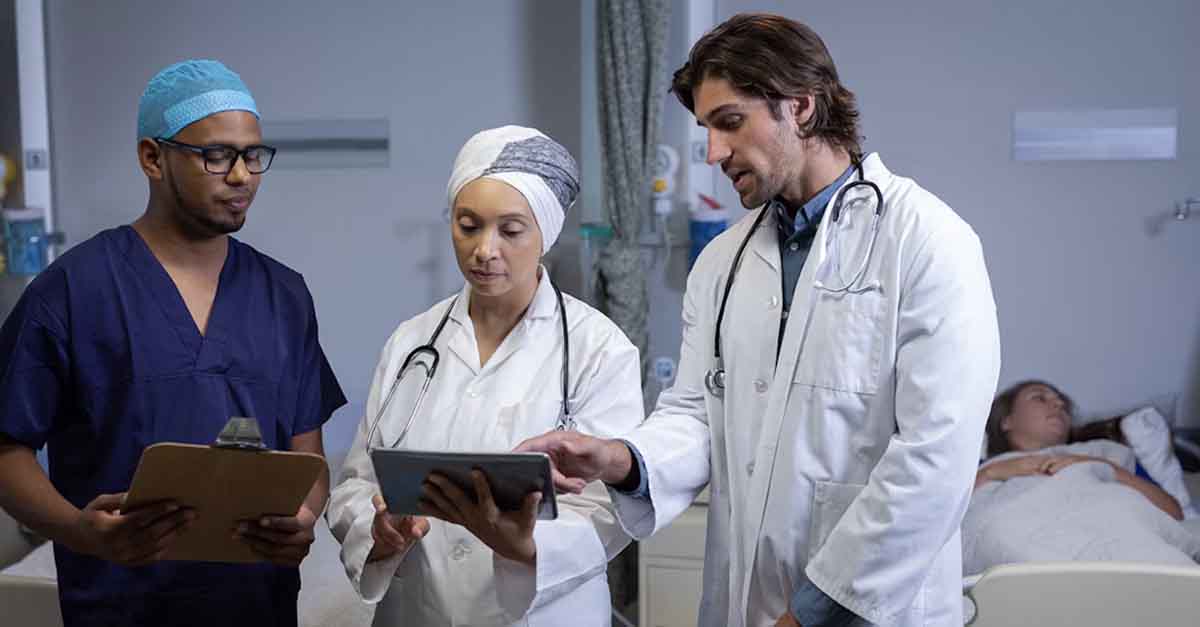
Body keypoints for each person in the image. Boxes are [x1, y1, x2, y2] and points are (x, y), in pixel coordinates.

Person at [517, 14, 1001, 627]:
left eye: (730, 123)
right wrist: (618, 458)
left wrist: (812, 612)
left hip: (867, 609)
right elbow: (695, 413)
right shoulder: (722, 262)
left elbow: (938, 455)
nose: (714, 152)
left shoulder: (929, 241)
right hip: (745, 600)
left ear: (799, 106)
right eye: (707, 130)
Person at [0, 59, 347, 626]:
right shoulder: (74, 289)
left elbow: (306, 448)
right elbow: (5, 448)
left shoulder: (284, 295)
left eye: (253, 155)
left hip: (257, 608)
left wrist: (306, 514)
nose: (242, 176)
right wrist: (76, 531)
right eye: (217, 155)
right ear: (152, 158)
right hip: (120, 607)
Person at [327, 125, 642, 626]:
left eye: (511, 230)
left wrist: (527, 546)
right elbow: (357, 481)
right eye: (468, 224)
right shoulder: (412, 343)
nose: (484, 249)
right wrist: (377, 530)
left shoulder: (598, 349)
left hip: (541, 613)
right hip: (418, 610)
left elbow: (610, 508)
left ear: (545, 233)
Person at [975, 380, 1182, 519]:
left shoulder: (1107, 452)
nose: (1057, 405)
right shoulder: (980, 468)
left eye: (1062, 405)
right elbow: (948, 519)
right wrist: (994, 471)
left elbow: (1173, 513)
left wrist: (1104, 468)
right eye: (1040, 398)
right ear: (1007, 421)